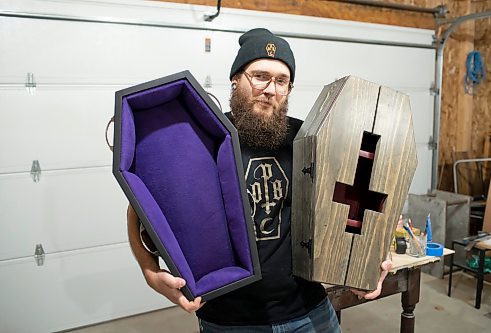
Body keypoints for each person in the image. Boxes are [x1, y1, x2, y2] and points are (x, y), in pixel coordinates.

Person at [127, 28, 392, 333]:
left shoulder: (310, 138)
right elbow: (138, 211)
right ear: (235, 80)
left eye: (281, 81)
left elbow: (362, 194)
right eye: (260, 76)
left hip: (310, 312)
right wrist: (150, 271)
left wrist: (372, 256)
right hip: (229, 321)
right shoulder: (200, 138)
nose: (270, 89)